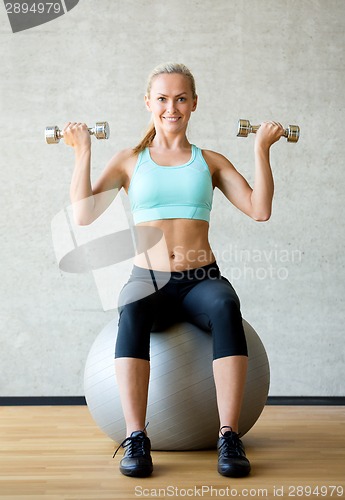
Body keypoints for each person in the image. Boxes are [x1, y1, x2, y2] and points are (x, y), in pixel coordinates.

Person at [64, 62, 284, 479]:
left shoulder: (210, 161)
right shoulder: (130, 160)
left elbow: (260, 210)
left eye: (181, 98)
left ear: (194, 104)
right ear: (148, 102)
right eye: (162, 98)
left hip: (201, 279)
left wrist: (261, 149)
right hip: (147, 279)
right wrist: (83, 152)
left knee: (225, 305)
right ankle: (136, 437)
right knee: (131, 308)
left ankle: (228, 436)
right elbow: (83, 215)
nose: (172, 107)